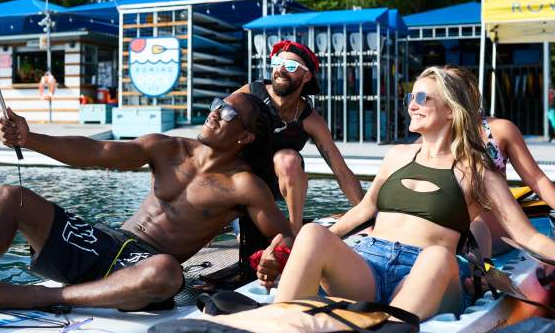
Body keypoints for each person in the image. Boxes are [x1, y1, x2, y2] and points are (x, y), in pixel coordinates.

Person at [0, 92, 294, 328]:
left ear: (244, 137)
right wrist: (30, 139)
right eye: (218, 104)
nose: (215, 113)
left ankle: (43, 296)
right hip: (106, 242)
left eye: (228, 114)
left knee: (166, 270)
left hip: (145, 266)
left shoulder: (244, 186)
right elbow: (97, 153)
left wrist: (273, 258)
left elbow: (285, 239)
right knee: (8, 195)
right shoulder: (167, 148)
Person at [257, 66, 555, 320]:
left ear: (451, 110)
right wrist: (295, 254)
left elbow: (528, 236)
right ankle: (278, 322)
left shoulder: (478, 171)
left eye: (422, 97)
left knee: (438, 256)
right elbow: (363, 210)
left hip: (427, 273)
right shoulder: (397, 156)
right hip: (369, 264)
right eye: (410, 97)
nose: (412, 104)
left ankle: (389, 324)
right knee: (311, 233)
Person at [235, 40, 363, 234]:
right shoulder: (250, 94)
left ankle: (294, 232)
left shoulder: (310, 119)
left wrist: (366, 213)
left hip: (274, 183)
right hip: (237, 179)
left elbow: (341, 171)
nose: (281, 69)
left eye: (291, 66)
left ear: (306, 76)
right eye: (277, 63)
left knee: (289, 159)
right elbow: (215, 126)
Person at [443, 65, 555, 257]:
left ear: (469, 91)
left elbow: (537, 180)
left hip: (499, 234)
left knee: (477, 226)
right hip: (451, 241)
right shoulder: (428, 140)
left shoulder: (499, 130)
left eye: (451, 88)